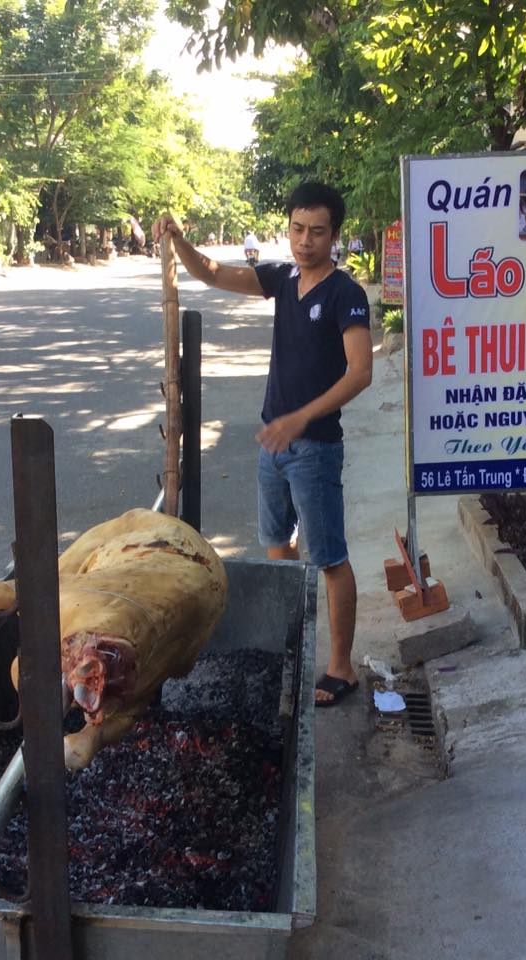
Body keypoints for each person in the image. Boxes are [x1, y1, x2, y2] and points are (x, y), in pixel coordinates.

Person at [153, 183, 373, 707]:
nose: (304, 241)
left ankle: (341, 666)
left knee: (329, 557)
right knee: (278, 550)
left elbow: (361, 372)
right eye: (297, 229)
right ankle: (291, 648)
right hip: (271, 444)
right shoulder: (282, 278)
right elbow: (211, 273)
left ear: (334, 235)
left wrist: (301, 417)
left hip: (314, 446)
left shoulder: (345, 295)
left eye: (317, 232)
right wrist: (179, 242)